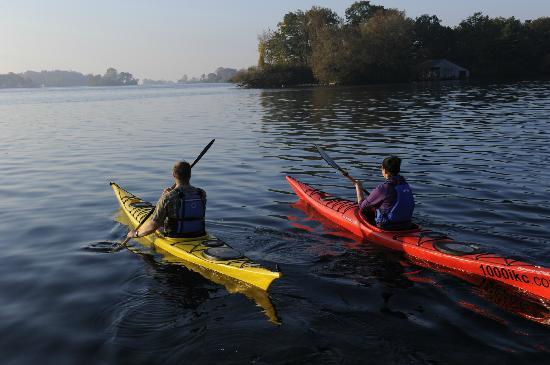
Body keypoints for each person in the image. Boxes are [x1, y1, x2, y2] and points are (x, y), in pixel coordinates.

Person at [127, 161, 207, 239]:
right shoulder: (201, 193)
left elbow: (153, 226)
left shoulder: (168, 197)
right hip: (199, 234)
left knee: (156, 225)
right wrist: (170, 193)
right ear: (190, 175)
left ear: (173, 174)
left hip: (176, 236)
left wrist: (135, 234)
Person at [353, 156, 415, 229]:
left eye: (381, 168)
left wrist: (358, 187)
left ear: (385, 171)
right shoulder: (405, 185)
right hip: (407, 224)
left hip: (388, 226)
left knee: (365, 212)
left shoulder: (383, 188)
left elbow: (362, 206)